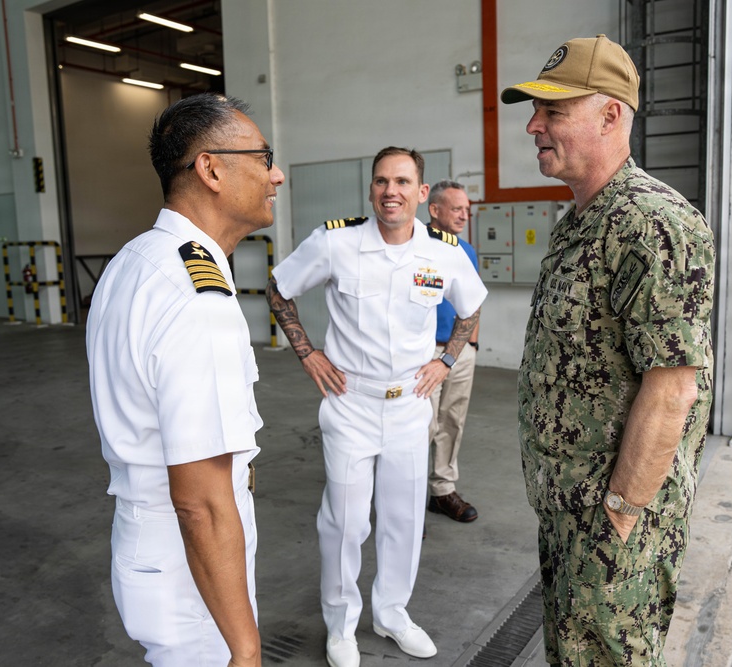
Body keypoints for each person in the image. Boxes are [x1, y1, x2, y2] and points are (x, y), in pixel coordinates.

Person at [501, 35, 715, 666]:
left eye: (553, 111)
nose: (534, 126)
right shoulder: (582, 221)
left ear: (610, 116)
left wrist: (619, 516)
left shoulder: (653, 224)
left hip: (612, 525)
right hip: (569, 512)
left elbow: (672, 389)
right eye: (535, 111)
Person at [266, 147, 487, 667]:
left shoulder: (443, 251)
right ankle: (340, 625)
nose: (392, 191)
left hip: (410, 404)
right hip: (351, 403)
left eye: (403, 182)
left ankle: (392, 614)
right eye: (382, 181)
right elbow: (279, 288)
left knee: (402, 520)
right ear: (371, 189)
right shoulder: (336, 242)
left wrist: (446, 361)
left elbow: (472, 305)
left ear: (422, 193)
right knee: (344, 522)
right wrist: (308, 353)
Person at [86, 93, 285, 667]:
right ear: (211, 170)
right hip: (190, 569)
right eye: (263, 158)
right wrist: (245, 649)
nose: (275, 175)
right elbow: (200, 501)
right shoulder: (197, 297)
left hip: (151, 540)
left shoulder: (135, 260)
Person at [425, 180, 481, 523]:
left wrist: (472, 343)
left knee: (452, 421)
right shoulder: (413, 245)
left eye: (467, 210)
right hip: (424, 355)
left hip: (459, 352)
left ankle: (442, 491)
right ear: (434, 209)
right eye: (456, 208)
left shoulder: (466, 250)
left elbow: (474, 301)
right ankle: (405, 501)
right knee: (422, 426)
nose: (463, 215)